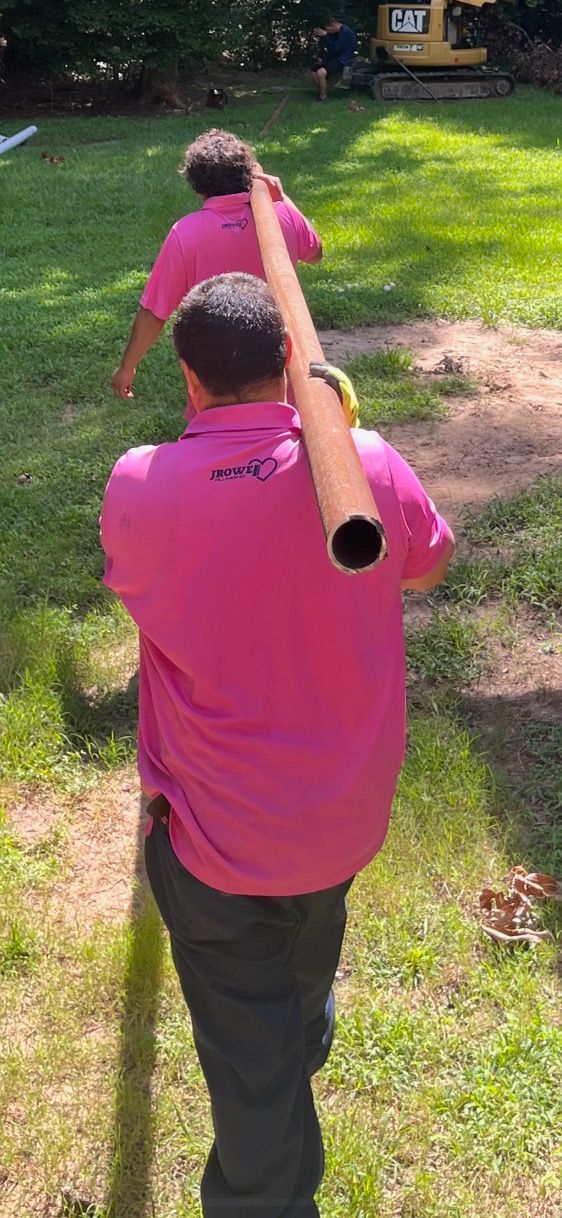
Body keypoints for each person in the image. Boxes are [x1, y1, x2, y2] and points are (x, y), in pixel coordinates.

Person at [100, 273, 454, 1218]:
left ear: (188, 377)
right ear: (292, 360)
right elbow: (428, 567)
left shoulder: (140, 485)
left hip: (213, 844)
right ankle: (289, 1063)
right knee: (296, 988)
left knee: (256, 1078)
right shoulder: (367, 464)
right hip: (341, 823)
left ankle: (264, 1184)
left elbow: (136, 580)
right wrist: (339, 433)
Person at [111, 129, 322, 404]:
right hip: (277, 363)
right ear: (247, 175)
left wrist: (127, 367)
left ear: (198, 186)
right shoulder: (280, 215)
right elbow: (315, 252)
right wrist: (282, 198)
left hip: (215, 376)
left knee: (218, 430)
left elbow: (154, 311)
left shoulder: (185, 233)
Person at [311, 15, 358, 100]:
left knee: (321, 72)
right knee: (314, 70)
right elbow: (328, 47)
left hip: (344, 59)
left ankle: (323, 97)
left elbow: (335, 49)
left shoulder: (345, 32)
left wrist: (325, 35)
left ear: (333, 24)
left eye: (328, 29)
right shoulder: (335, 32)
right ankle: (322, 90)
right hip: (335, 57)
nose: (328, 31)